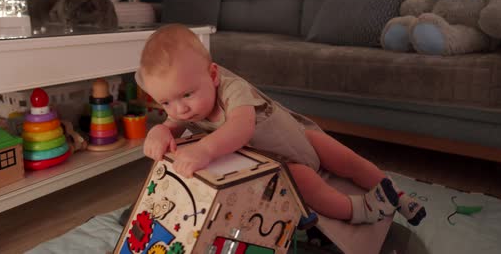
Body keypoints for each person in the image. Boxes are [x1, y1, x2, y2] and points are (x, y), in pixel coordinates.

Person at [136, 23, 426, 225]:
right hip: (278, 162)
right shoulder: (185, 110)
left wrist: (205, 150)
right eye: (166, 102)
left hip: (299, 136)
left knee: (348, 159)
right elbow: (172, 123)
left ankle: (395, 193)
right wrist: (159, 130)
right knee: (304, 183)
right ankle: (357, 210)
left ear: (213, 76)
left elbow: (241, 127)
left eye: (187, 94)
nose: (180, 108)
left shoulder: (231, 89)